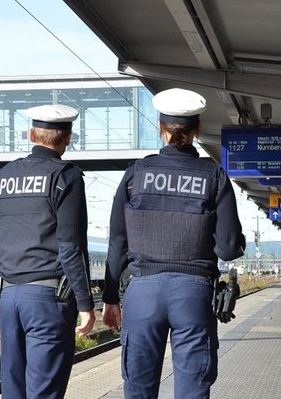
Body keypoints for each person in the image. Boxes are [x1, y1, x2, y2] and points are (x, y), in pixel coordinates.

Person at [101, 88, 246, 398]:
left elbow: (117, 242)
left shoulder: (135, 175)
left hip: (141, 291)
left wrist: (110, 297)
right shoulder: (214, 176)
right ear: (197, 130)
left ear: (160, 128)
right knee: (193, 389)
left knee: (138, 387)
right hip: (192, 294)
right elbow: (229, 248)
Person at [0, 103, 95, 399]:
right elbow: (71, 245)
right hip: (47, 299)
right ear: (67, 138)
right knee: (44, 391)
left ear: (31, 134)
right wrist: (84, 303)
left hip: (9, 298)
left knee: (13, 389)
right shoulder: (66, 177)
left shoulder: (1, 177)